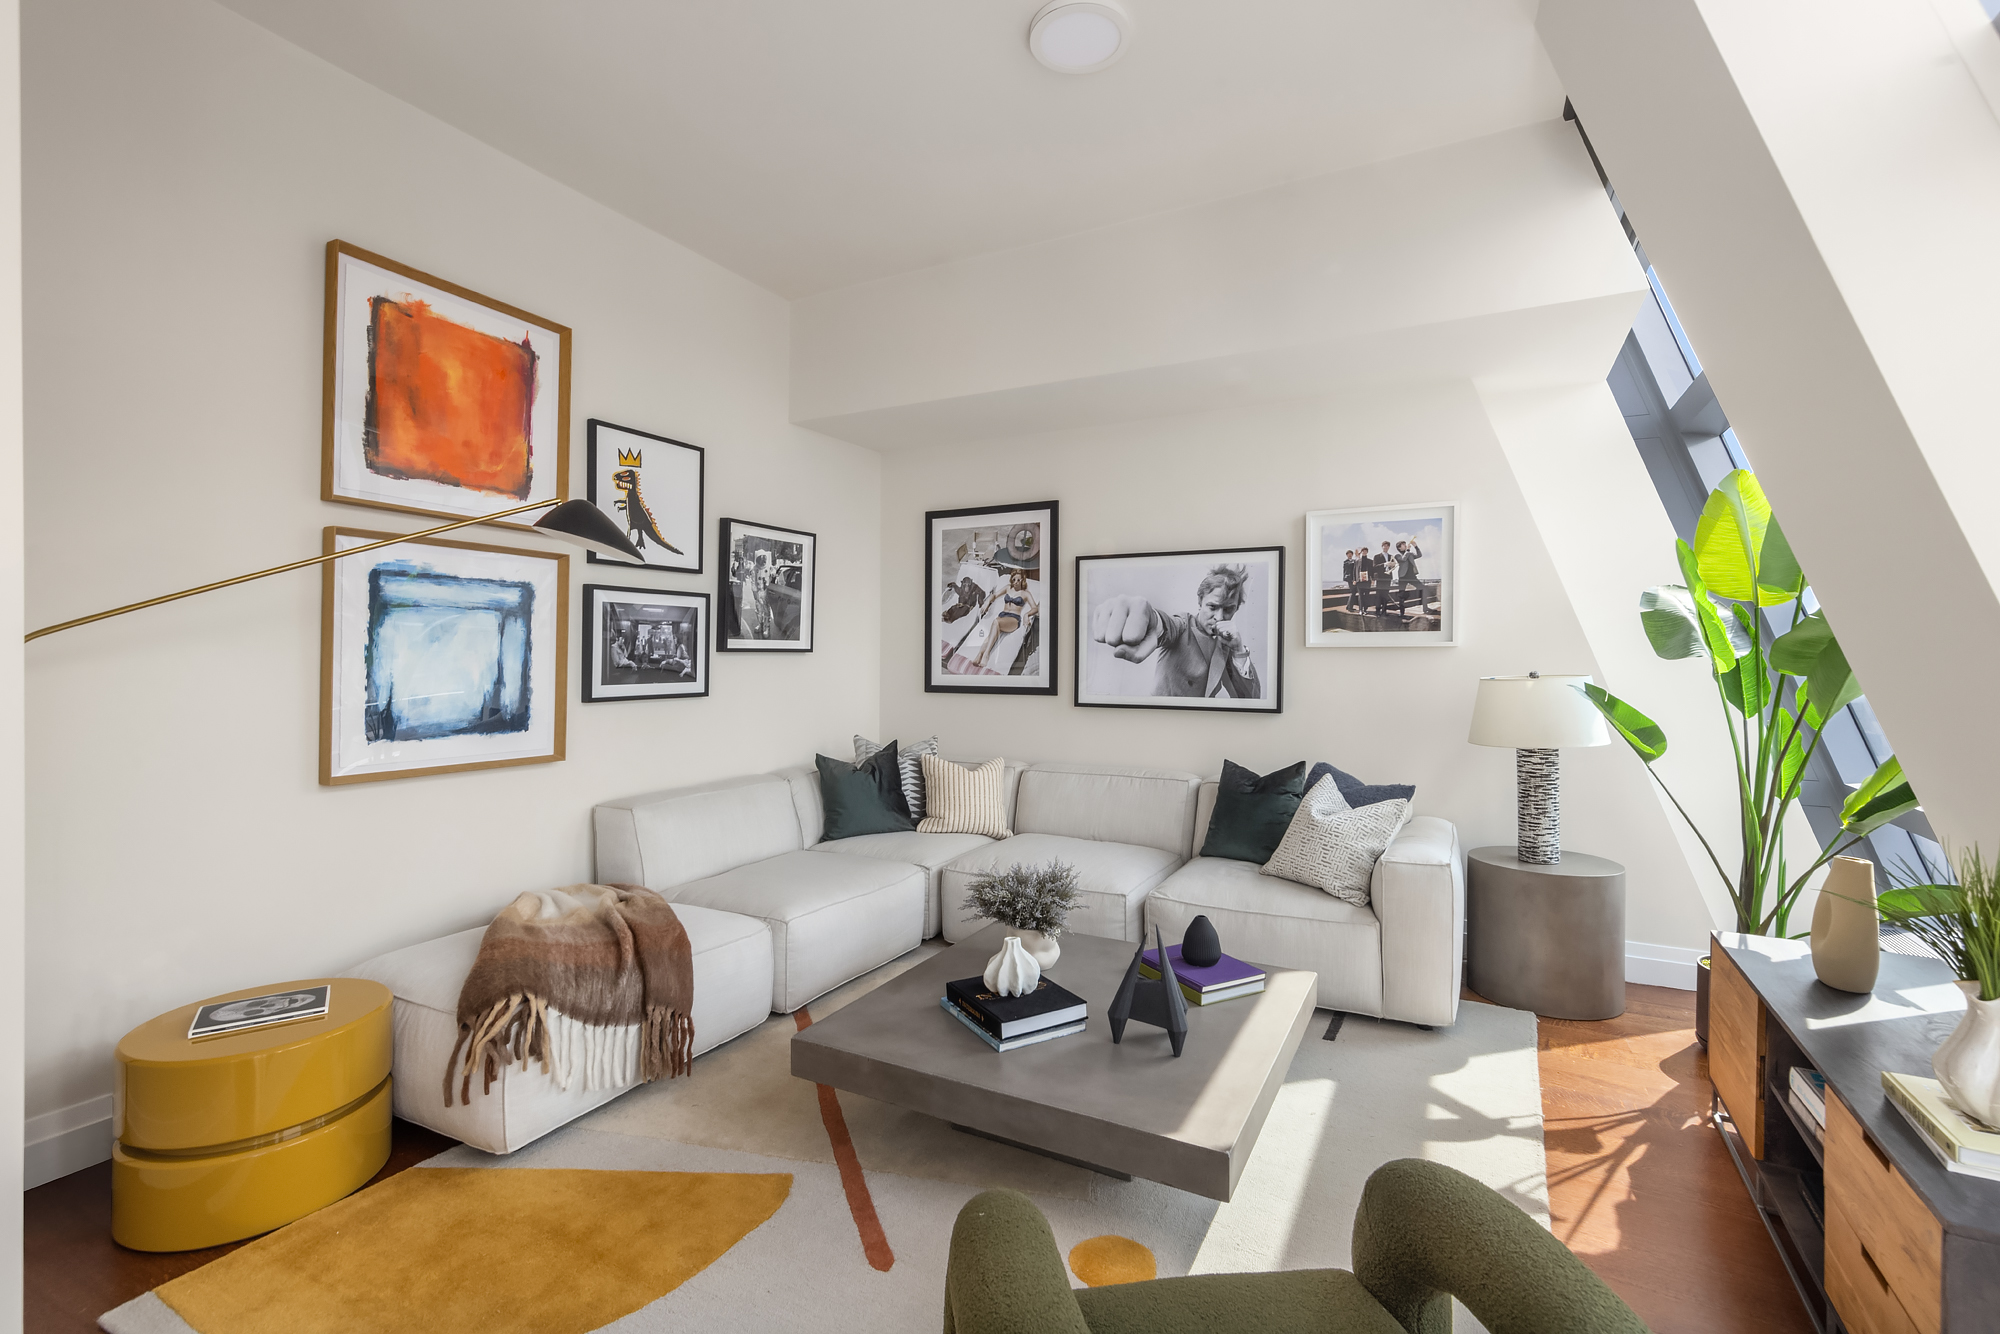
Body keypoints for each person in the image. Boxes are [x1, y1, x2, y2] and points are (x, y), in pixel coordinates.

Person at [1090, 564, 1260, 698]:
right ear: (1200, 602)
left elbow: (1249, 700)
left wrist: (1238, 650)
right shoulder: (1183, 624)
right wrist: (1150, 617)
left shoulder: (1227, 645)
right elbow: (1166, 625)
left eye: (1228, 609)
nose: (1220, 617)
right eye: (1212, 607)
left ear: (1236, 609)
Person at [971, 568, 1038, 671]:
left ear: (1023, 581)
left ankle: (986, 654)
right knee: (992, 633)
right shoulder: (1007, 588)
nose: (1015, 582)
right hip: (1002, 615)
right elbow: (995, 595)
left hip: (1013, 619)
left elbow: (1035, 608)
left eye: (1018, 580)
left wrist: (1026, 615)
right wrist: (987, 602)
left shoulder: (1026, 594)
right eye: (1014, 579)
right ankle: (979, 654)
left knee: (996, 622)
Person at [1393, 539, 1424, 616]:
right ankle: (1402, 612)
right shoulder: (1397, 555)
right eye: (1403, 545)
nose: (1405, 545)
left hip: (1411, 576)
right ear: (1399, 548)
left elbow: (1419, 555)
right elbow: (1403, 559)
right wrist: (1408, 550)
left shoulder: (1409, 553)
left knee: (1423, 588)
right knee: (1401, 595)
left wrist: (1416, 547)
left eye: (1405, 544)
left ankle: (1425, 607)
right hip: (1403, 577)